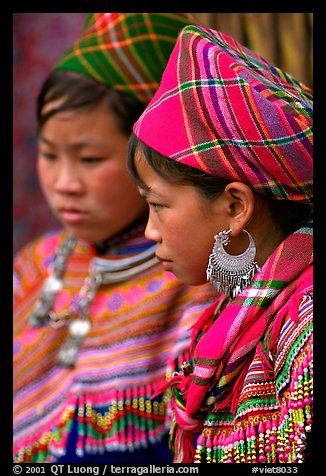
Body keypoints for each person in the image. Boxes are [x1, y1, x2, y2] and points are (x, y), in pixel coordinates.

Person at [13, 13, 218, 464]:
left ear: (151, 158)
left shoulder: (196, 276)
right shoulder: (33, 267)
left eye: (89, 158)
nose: (64, 182)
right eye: (49, 154)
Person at [127, 24, 313, 464]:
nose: (150, 231)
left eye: (158, 205)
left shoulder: (302, 329)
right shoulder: (234, 315)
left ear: (235, 207)